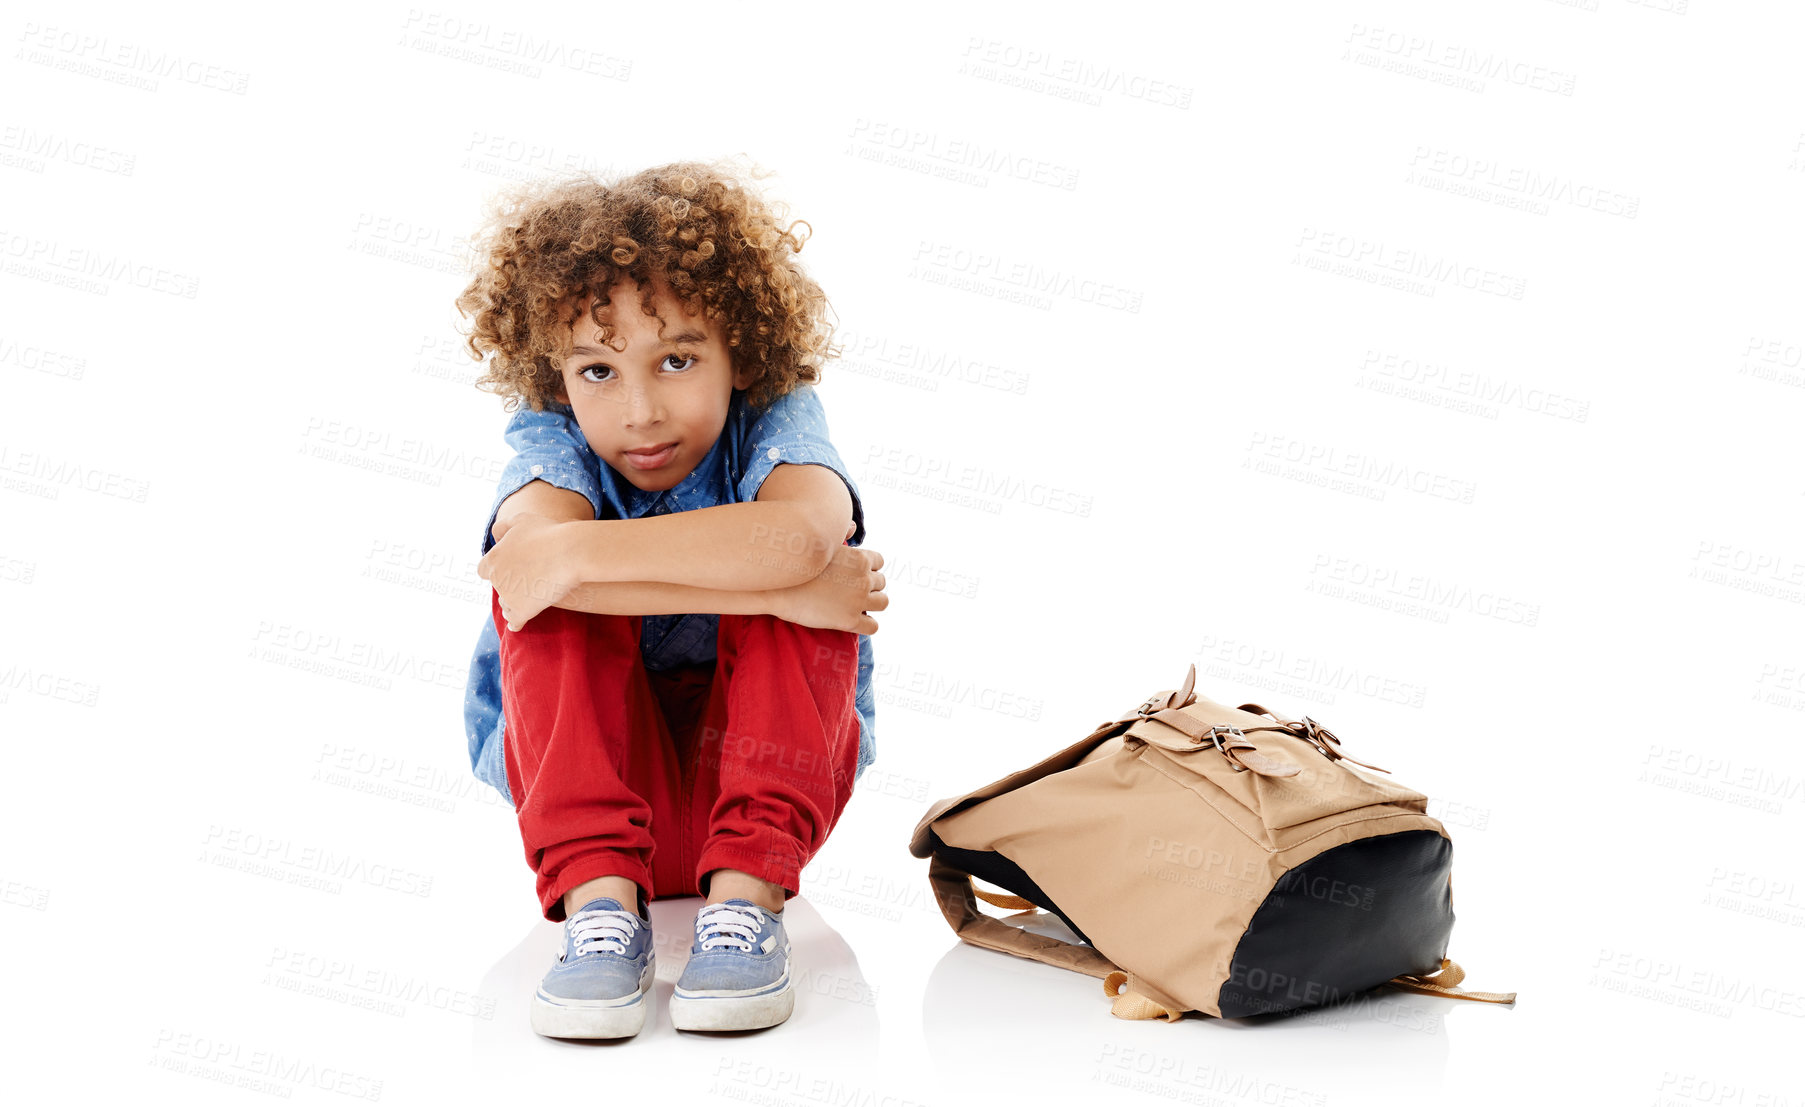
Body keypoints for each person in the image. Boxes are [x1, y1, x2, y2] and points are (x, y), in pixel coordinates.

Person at [454, 159, 888, 1038]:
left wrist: (574, 555)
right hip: (591, 804)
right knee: (545, 604)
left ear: (743, 352)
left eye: (677, 359)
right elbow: (525, 570)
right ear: (556, 373)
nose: (640, 411)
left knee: (781, 559)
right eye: (598, 372)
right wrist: (787, 587)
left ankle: (743, 910)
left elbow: (803, 537)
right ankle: (601, 915)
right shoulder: (550, 439)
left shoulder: (777, 422)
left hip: (765, 791)